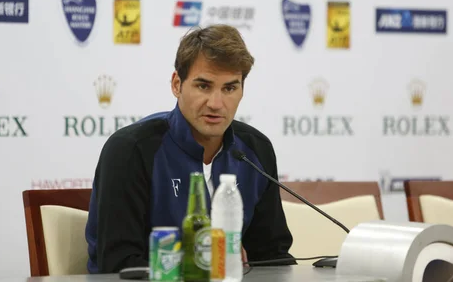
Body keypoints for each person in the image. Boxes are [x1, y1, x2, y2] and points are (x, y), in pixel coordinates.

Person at [85, 24, 295, 273]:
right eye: (203, 86)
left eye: (229, 88)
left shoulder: (255, 150)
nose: (216, 104)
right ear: (177, 84)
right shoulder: (131, 150)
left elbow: (272, 257)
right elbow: (119, 264)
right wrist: (203, 263)